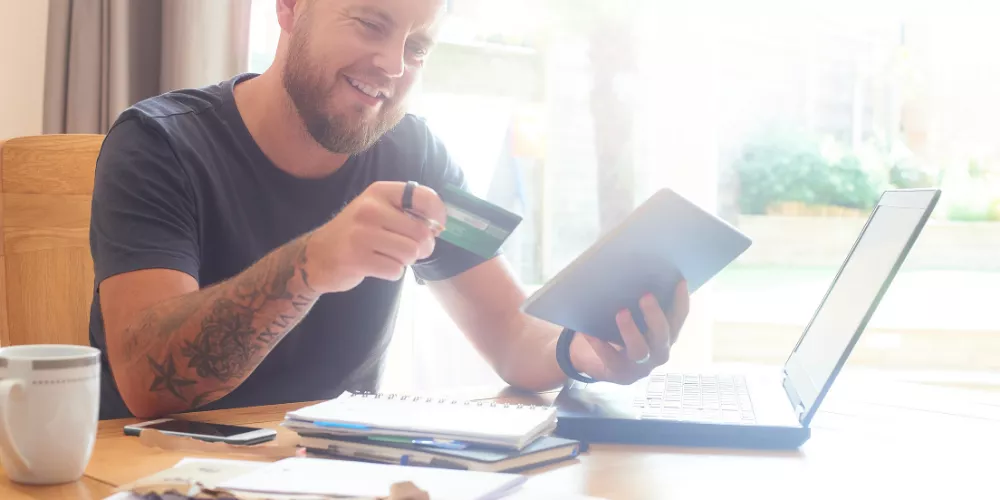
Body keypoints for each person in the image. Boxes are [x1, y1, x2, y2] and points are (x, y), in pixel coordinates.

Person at [89, 0, 690, 420]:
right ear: (291, 7)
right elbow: (147, 382)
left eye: (418, 46)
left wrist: (582, 350)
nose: (393, 65)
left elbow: (510, 330)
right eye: (371, 24)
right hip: (161, 476)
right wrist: (311, 264)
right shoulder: (159, 144)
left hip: (337, 475)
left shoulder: (413, 151)